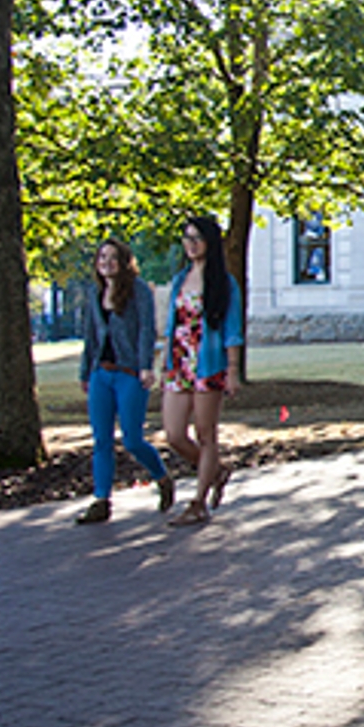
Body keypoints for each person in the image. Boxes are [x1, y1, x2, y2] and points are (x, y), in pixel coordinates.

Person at [73, 239, 176, 524]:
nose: (106, 262)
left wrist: (145, 366)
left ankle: (162, 477)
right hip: (100, 374)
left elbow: (146, 328)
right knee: (101, 440)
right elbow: (90, 337)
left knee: (132, 440)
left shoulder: (138, 290)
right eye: (102, 257)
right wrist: (86, 372)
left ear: (124, 261)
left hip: (129, 373)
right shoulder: (96, 293)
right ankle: (101, 500)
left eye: (113, 257)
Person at [164, 215, 245, 526]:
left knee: (205, 433)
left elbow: (232, 330)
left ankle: (198, 502)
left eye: (197, 238)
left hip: (208, 364)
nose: (191, 244)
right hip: (179, 363)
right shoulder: (179, 280)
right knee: (174, 434)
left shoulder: (224, 283)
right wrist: (165, 363)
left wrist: (233, 371)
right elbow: (173, 325)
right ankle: (216, 471)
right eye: (187, 238)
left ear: (210, 242)